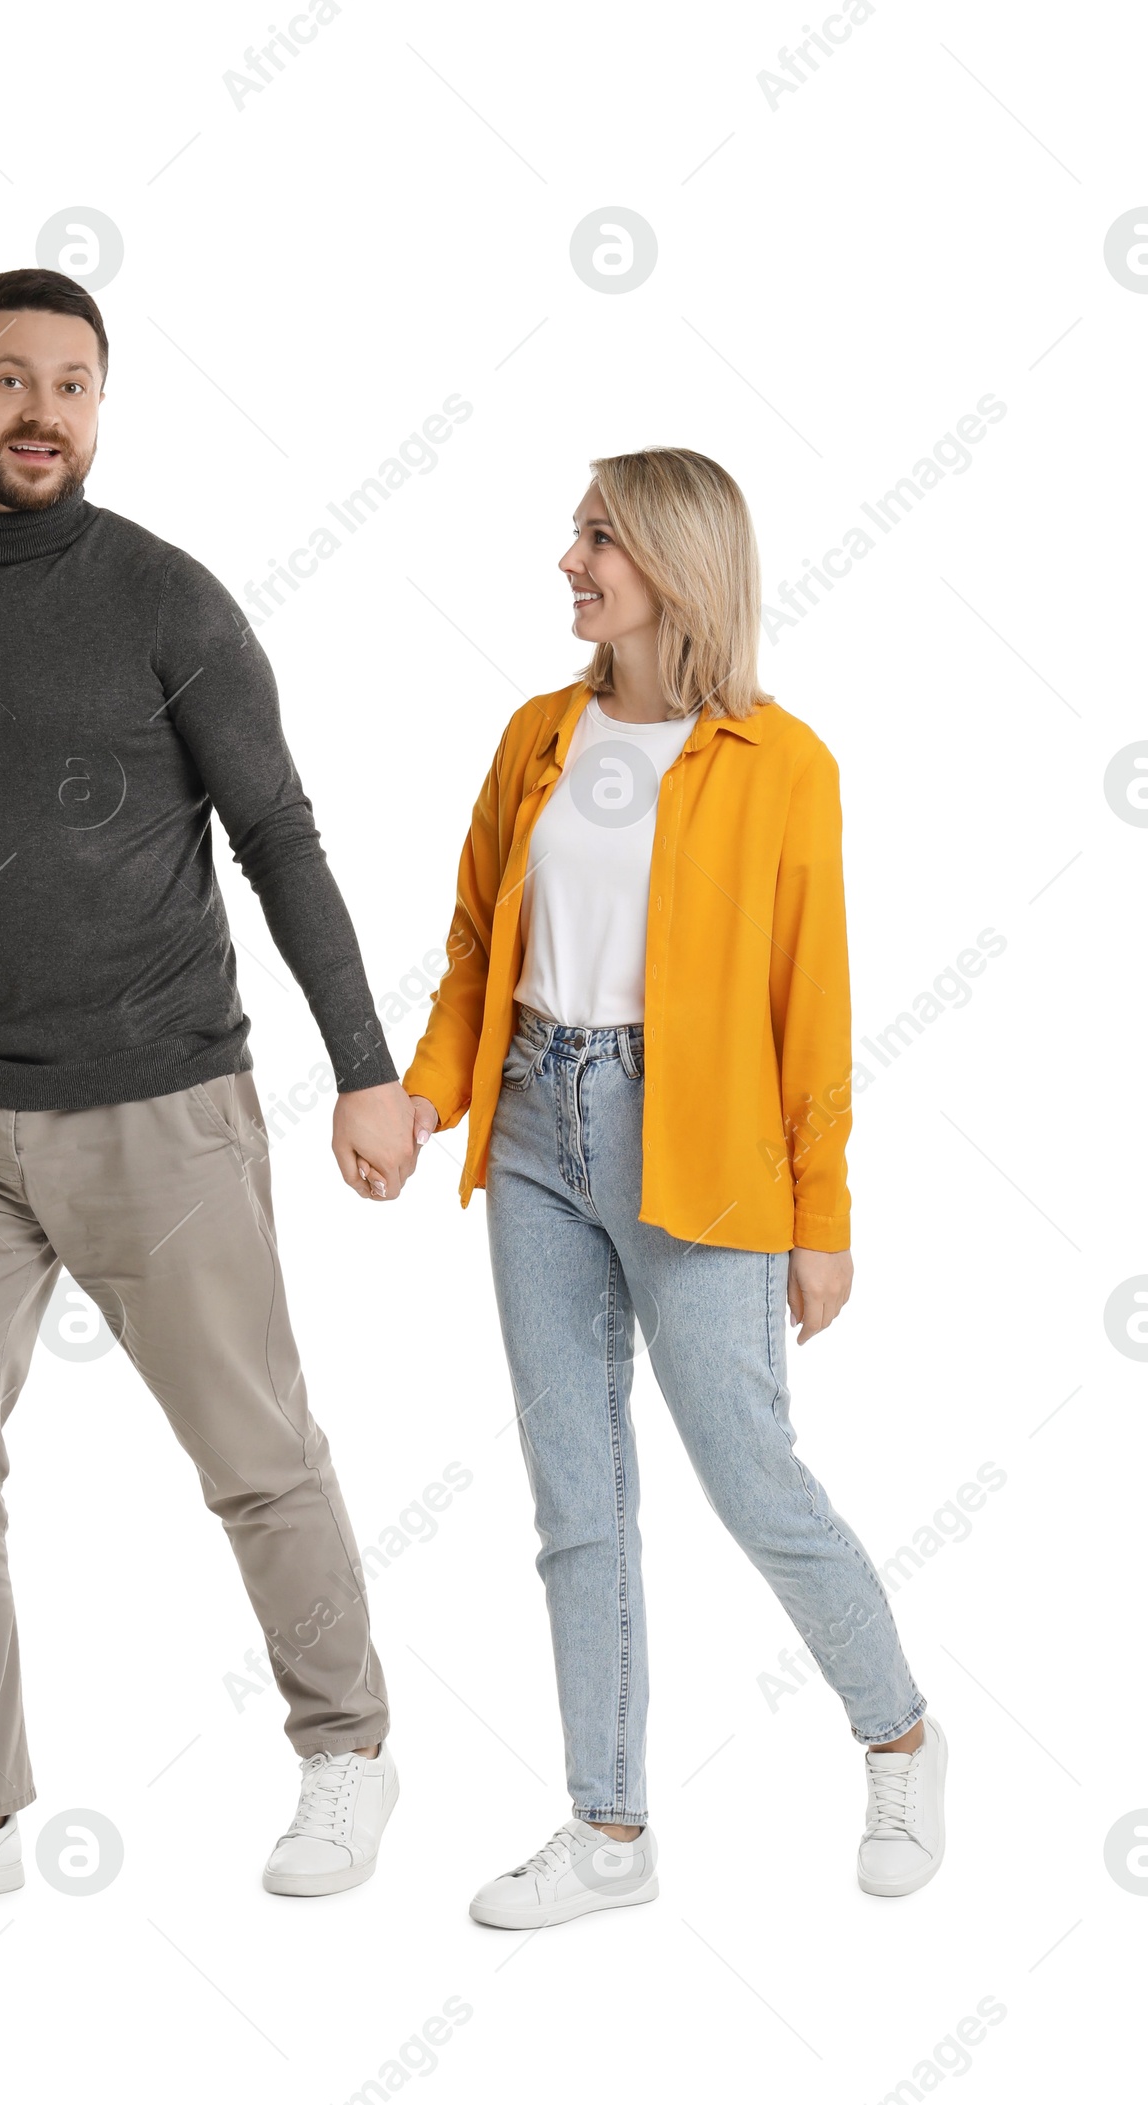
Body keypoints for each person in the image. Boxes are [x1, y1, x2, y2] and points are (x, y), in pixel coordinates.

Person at [0, 268, 413, 1931]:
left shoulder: (168, 600)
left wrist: (364, 1064)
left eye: (73, 382)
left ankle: (347, 1746)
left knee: (255, 1449)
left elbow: (281, 835)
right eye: (9, 379)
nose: (42, 409)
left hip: (163, 1105)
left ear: (100, 407)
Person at [400, 448, 946, 1930]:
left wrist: (821, 1219)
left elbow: (811, 1005)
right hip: (532, 1136)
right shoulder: (533, 737)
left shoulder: (785, 763)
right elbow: (472, 953)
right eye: (577, 534)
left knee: (753, 1480)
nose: (569, 560)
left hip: (697, 1145)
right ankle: (608, 1828)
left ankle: (898, 1734)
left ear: (675, 566)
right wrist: (424, 1092)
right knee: (576, 1500)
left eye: (598, 538)